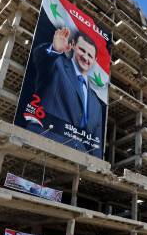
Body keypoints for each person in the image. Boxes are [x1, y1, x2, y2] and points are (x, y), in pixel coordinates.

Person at [25, 27, 104, 158]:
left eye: (90, 55)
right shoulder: (57, 64)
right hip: (41, 144)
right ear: (72, 45)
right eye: (82, 50)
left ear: (95, 60)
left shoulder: (96, 103)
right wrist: (55, 50)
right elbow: (41, 59)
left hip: (78, 160)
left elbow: (97, 144)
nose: (85, 57)